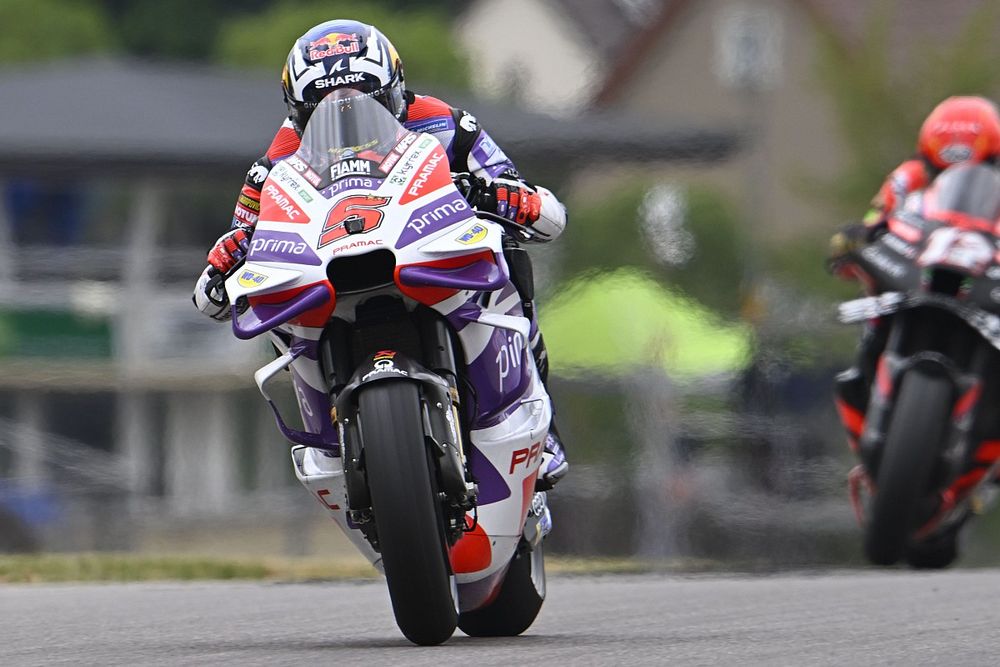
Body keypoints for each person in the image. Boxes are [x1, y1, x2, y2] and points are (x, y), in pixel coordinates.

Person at [192, 19, 568, 489]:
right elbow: (245, 237)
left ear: (394, 89)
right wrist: (229, 258)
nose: (346, 117)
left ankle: (544, 426)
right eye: (322, 108)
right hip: (331, 268)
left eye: (364, 99)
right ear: (297, 111)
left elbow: (530, 200)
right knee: (276, 305)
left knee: (510, 258)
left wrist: (499, 196)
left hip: (425, 250)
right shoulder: (273, 163)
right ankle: (327, 435)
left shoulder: (448, 124)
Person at [829, 95, 1000, 415]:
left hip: (982, 280)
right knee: (874, 311)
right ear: (927, 160)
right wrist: (853, 243)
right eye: (940, 171)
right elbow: (875, 223)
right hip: (918, 274)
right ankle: (867, 387)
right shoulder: (906, 179)